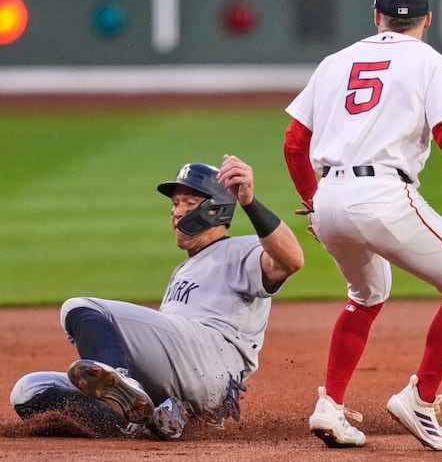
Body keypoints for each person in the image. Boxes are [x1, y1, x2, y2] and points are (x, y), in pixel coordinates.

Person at [283, 0, 442, 451]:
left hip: (331, 200)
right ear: (428, 18)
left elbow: (295, 143)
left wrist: (312, 200)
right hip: (382, 195)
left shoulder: (335, 62)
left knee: (366, 294)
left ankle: (331, 407)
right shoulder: (430, 61)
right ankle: (420, 399)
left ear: (375, 16)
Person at [10, 154, 304, 439]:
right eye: (175, 204)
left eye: (189, 203)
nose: (177, 212)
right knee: (30, 390)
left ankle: (121, 381)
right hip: (183, 371)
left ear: (217, 211)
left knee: (80, 308)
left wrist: (250, 202)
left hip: (212, 362)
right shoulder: (184, 268)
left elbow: (291, 260)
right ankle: (139, 422)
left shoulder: (241, 250)